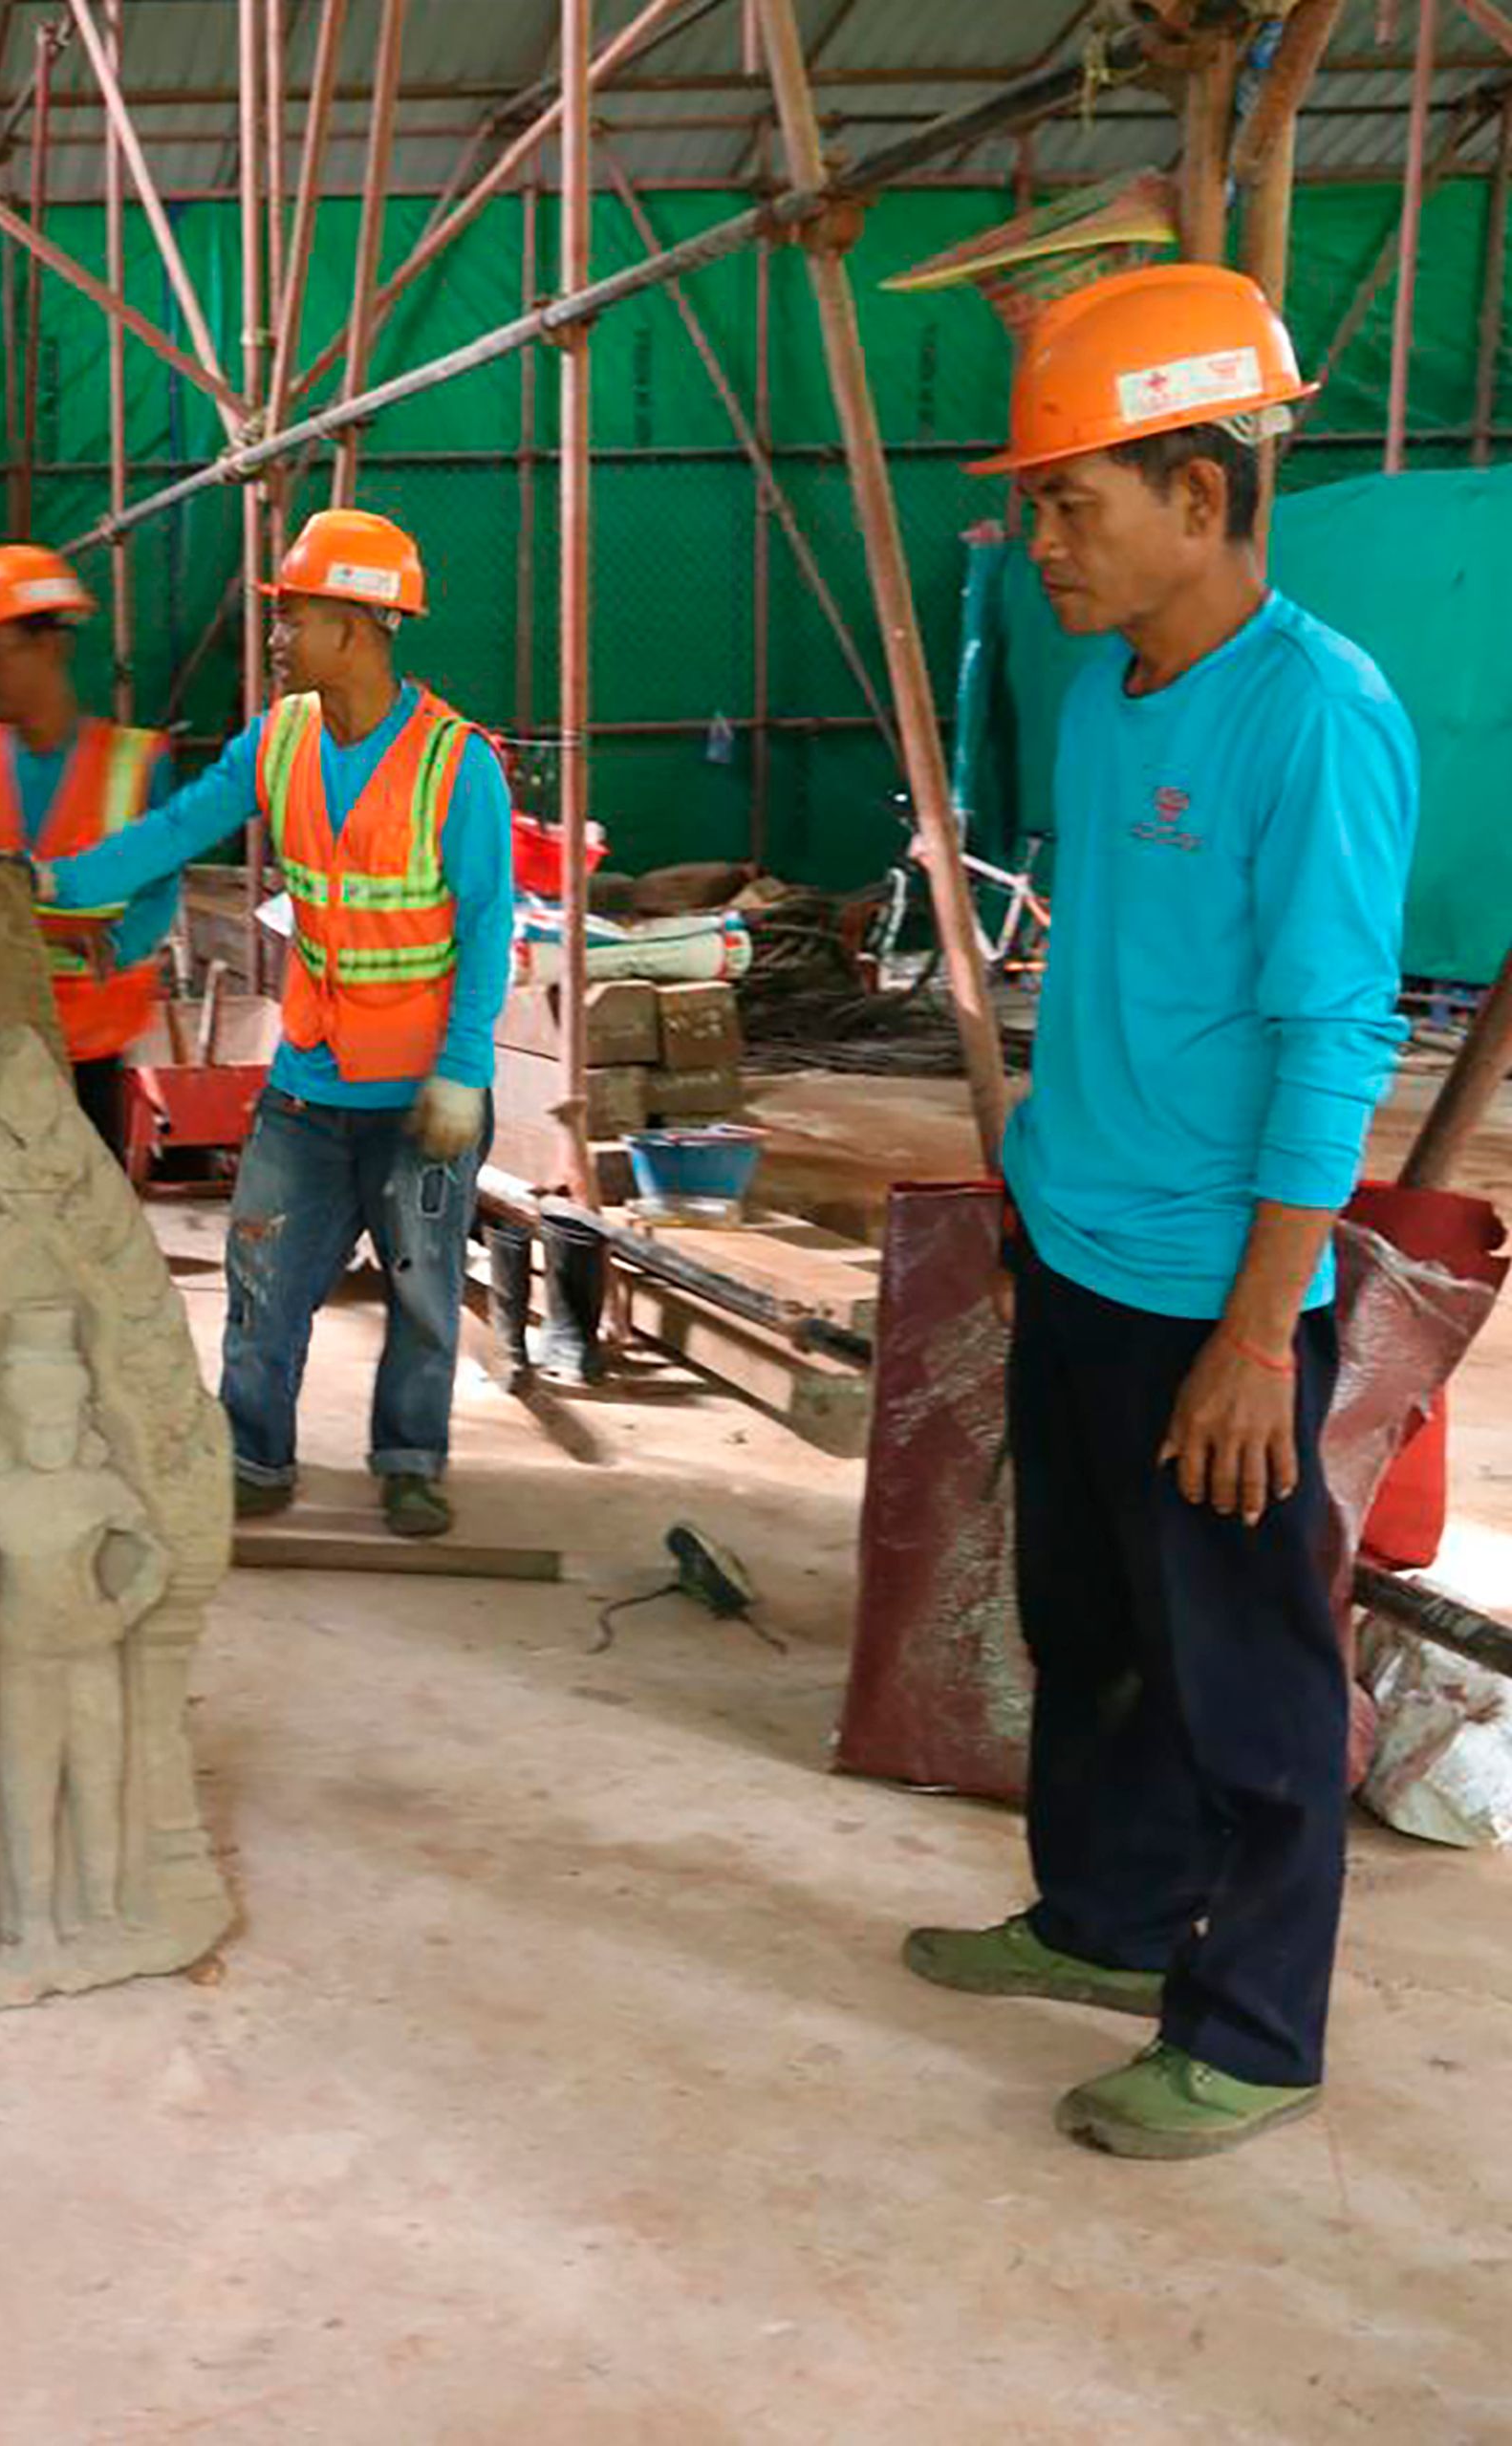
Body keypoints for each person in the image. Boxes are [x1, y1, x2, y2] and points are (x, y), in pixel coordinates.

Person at [899, 264, 1413, 2161]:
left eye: (1069, 500)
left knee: (1250, 1681)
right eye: (1037, 502)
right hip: (1080, 1250)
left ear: (1201, 494)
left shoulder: (1319, 718)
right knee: (1089, 1625)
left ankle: (1258, 2030)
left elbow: (1330, 1041)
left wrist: (1260, 1335)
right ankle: (1109, 1924)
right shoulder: (1107, 697)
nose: (1039, 540)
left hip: (1216, 1295)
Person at [28, 509, 512, 1541]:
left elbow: (485, 928)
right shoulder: (279, 739)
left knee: (424, 1296)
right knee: (262, 1280)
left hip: (422, 1090)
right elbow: (173, 832)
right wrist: (54, 886)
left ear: (361, 625)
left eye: (295, 617)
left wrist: (465, 1070)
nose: (279, 637)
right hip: (309, 1079)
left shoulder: (454, 764)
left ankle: (411, 1461)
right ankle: (252, 1455)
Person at [0, 545, 180, 1150]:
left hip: (98, 1041)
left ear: (50, 647)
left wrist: (112, 945)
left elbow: (160, 887)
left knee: (86, 1217)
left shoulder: (139, 762)